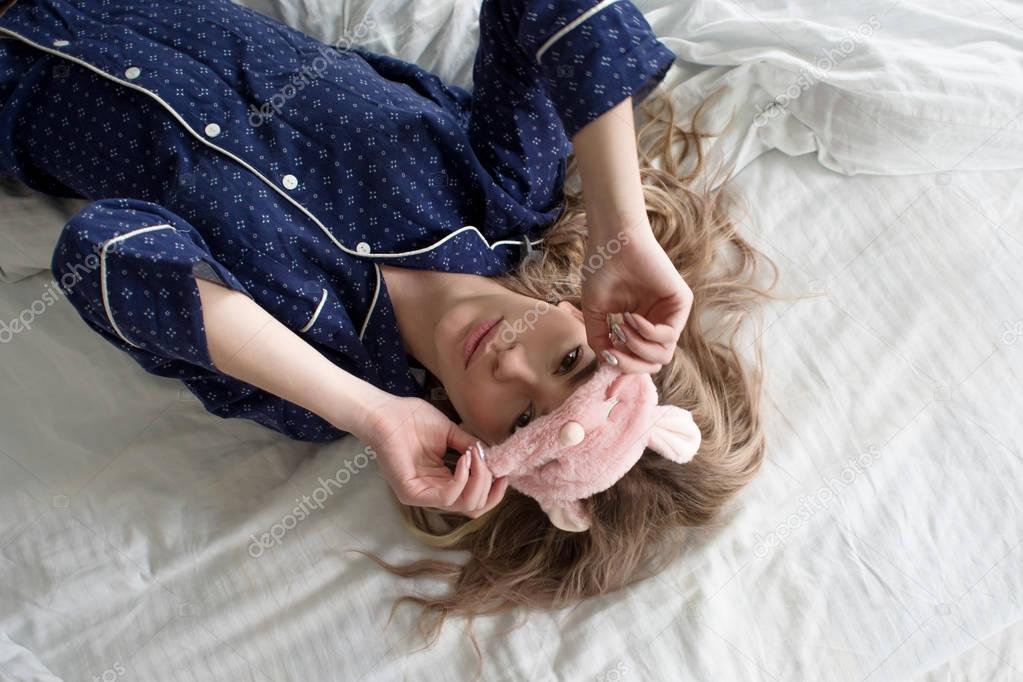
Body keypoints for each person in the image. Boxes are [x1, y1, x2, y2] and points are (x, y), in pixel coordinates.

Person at [0, 0, 776, 654]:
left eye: (524, 417)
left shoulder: (317, 386)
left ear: (486, 448)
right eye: (569, 361)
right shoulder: (508, 186)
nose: (511, 368)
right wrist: (620, 223)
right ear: (587, 315)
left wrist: (369, 412)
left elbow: (104, 250)